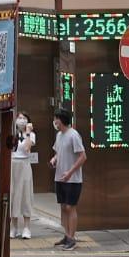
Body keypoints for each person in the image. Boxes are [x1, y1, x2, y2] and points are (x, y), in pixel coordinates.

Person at [51, 107, 86, 249]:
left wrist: (70, 172)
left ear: (62, 120)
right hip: (60, 177)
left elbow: (83, 157)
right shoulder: (59, 135)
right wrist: (54, 159)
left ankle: (72, 238)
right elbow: (58, 153)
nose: (54, 121)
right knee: (63, 207)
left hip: (72, 179)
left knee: (70, 207)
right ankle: (66, 236)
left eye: (56, 119)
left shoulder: (73, 135)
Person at [8, 112, 37, 240]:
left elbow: (26, 148)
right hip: (13, 165)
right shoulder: (11, 134)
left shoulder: (31, 135)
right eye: (19, 118)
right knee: (13, 194)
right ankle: (13, 227)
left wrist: (28, 133)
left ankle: (26, 227)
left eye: (24, 118)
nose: (21, 120)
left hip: (25, 165)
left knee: (25, 195)